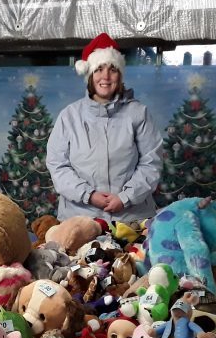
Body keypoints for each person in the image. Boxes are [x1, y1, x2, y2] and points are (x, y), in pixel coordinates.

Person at [46, 33, 163, 222]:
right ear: (90, 75)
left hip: (132, 219)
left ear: (120, 75)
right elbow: (57, 165)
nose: (106, 76)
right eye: (99, 69)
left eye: (113, 69)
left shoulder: (139, 114)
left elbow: (151, 163)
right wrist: (89, 195)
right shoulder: (69, 116)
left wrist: (125, 198)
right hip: (80, 220)